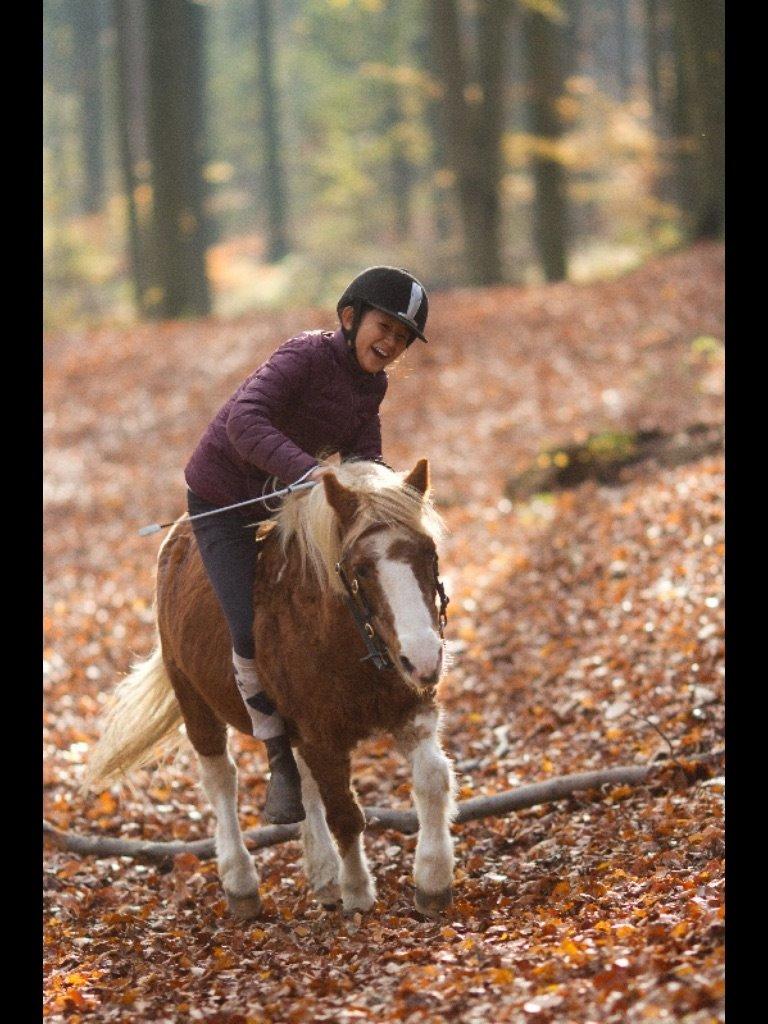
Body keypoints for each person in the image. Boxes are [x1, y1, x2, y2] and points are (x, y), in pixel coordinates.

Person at [184, 266, 430, 824]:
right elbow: (244, 423)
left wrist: (387, 498)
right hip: (225, 502)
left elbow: (364, 454)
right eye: (384, 328)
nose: (390, 344)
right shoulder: (302, 357)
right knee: (246, 628)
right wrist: (307, 474)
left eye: (401, 338)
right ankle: (279, 756)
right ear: (349, 317)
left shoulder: (374, 384)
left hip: (292, 503)